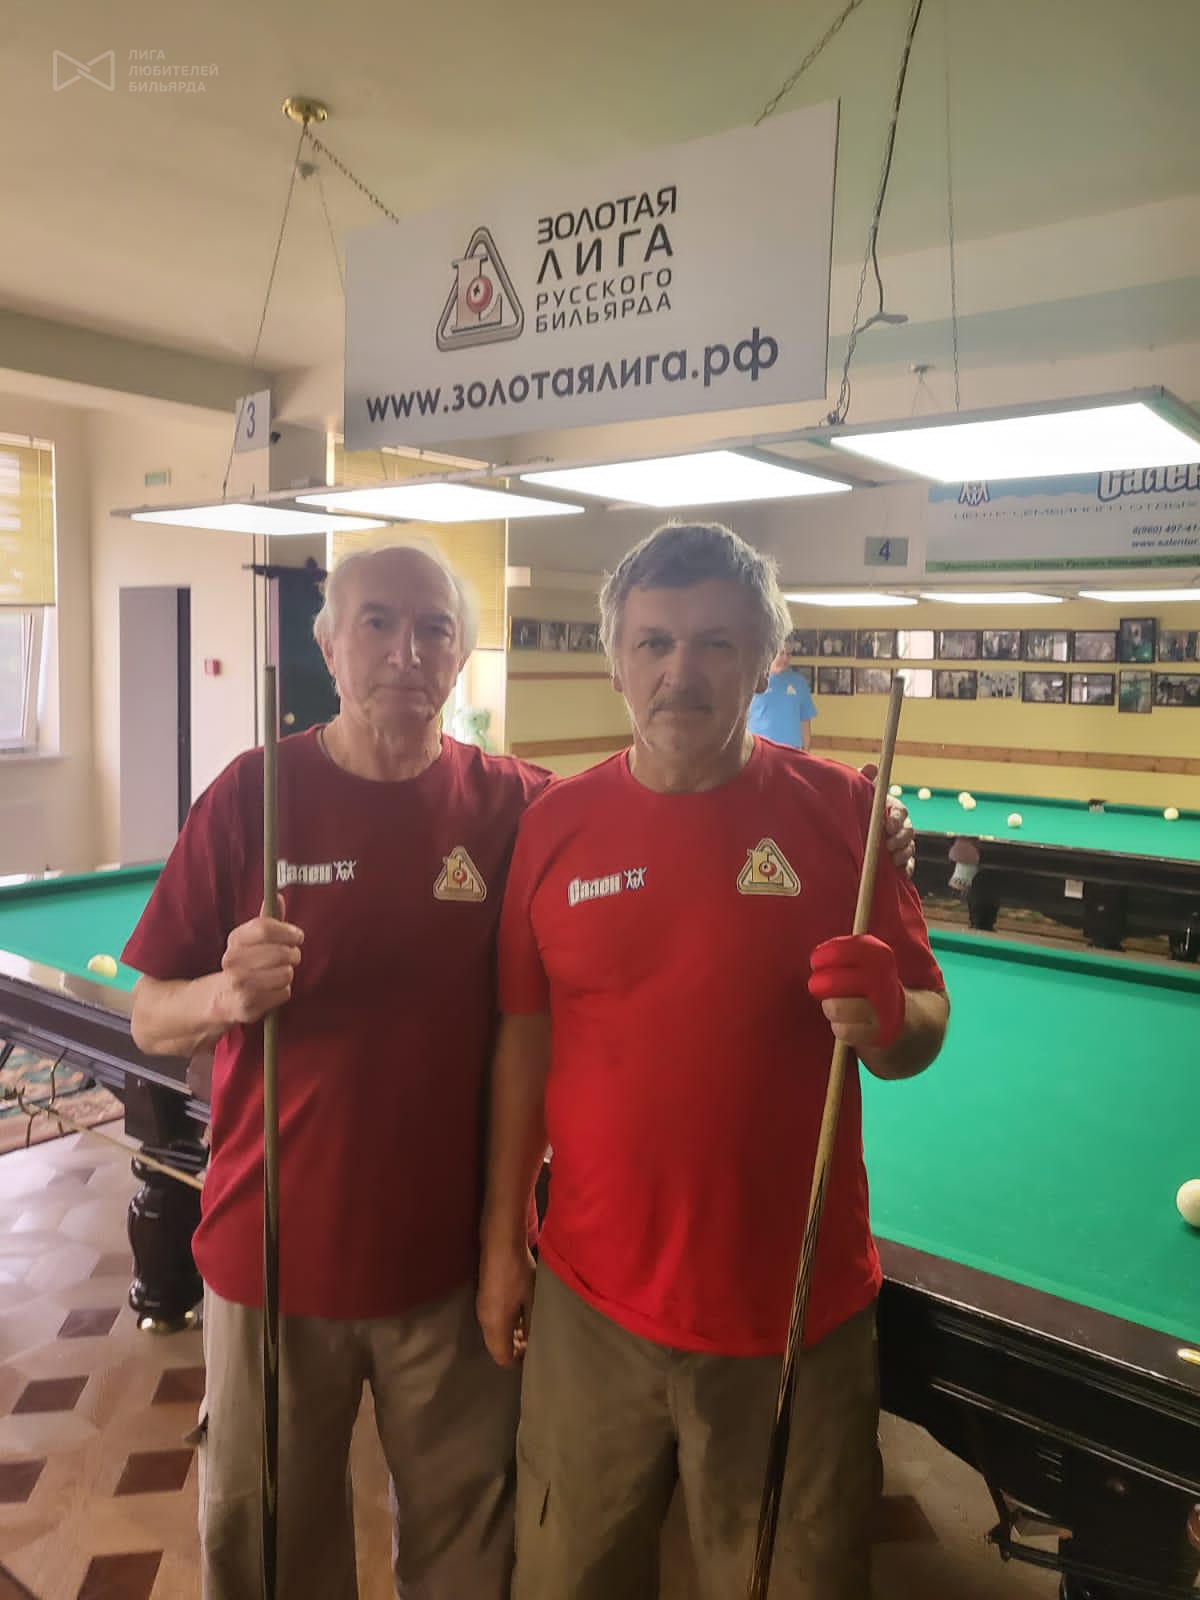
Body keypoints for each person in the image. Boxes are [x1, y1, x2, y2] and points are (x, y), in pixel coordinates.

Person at [477, 521, 950, 1600]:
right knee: (566, 1579)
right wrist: (503, 1242)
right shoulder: (553, 829)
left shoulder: (846, 817)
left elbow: (923, 1027)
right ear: (615, 661)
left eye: (714, 644)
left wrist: (889, 1016)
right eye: (653, 642)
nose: (679, 672)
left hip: (797, 1310)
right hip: (591, 1309)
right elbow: (524, 1043)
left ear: (764, 662)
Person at [123, 541, 551, 1600]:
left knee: (467, 1555)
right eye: (378, 623)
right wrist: (223, 997)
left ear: (461, 652)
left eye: (435, 628)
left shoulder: (515, 805)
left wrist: (854, 819)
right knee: (266, 1551)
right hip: (271, 1259)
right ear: (328, 646)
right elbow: (148, 1016)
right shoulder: (250, 795)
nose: (408, 652)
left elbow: (655, 815)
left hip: (449, 1270)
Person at [746, 645, 817, 750]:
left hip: (791, 750)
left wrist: (806, 751)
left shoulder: (799, 682)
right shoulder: (753, 679)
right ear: (771, 653)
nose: (785, 658)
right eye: (782, 653)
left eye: (788, 654)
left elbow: (805, 721)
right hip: (759, 749)